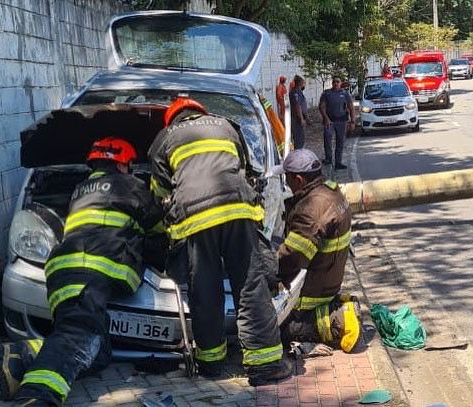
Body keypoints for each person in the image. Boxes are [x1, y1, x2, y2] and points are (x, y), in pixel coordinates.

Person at [0, 137, 163, 406]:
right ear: (122, 165)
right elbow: (158, 227)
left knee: (97, 350)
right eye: (129, 165)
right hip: (90, 270)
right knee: (76, 339)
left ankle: (25, 352)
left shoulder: (80, 189)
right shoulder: (130, 185)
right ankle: (37, 394)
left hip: (62, 271)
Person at [149, 97, 291, 385]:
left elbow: (159, 191)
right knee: (250, 286)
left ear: (174, 119)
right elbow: (244, 167)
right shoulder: (227, 126)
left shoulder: (163, 139)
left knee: (204, 289)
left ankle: (211, 362)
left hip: (195, 219)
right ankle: (264, 365)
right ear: (199, 111)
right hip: (238, 209)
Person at [275, 149, 361, 354]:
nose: (286, 185)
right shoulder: (331, 191)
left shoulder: (311, 211)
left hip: (309, 295)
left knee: (274, 330)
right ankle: (331, 311)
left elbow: (292, 258)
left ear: (298, 179)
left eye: (287, 179)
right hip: (327, 282)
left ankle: (335, 322)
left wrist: (266, 268)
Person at [319, 76, 355, 170]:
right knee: (327, 138)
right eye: (334, 82)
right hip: (329, 121)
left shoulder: (345, 94)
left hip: (341, 121)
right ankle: (328, 158)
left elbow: (351, 107)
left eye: (338, 82)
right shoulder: (327, 93)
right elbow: (322, 106)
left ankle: (338, 162)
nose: (336, 83)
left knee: (340, 141)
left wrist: (352, 121)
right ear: (332, 83)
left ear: (340, 83)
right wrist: (325, 118)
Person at [289, 75, 308, 149]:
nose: (304, 84)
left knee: (300, 138)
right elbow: (297, 106)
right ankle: (298, 156)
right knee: (299, 139)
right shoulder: (295, 92)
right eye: (304, 82)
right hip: (297, 119)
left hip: (299, 118)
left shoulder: (298, 91)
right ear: (300, 83)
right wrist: (301, 119)